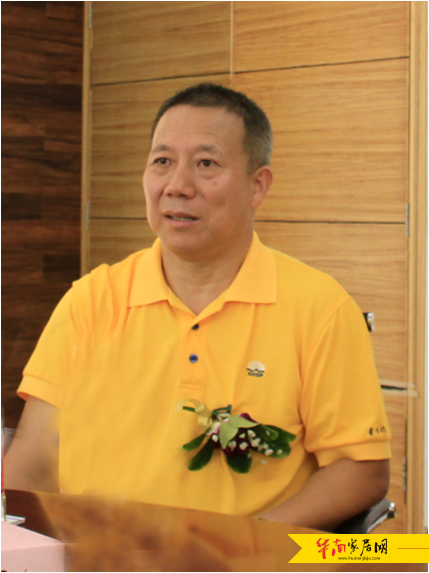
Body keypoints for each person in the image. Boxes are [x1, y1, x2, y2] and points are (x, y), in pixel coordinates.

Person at [5, 83, 391, 531]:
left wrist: (244, 544)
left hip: (240, 558)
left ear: (257, 186)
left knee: (399, 556)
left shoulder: (319, 308)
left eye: (206, 164)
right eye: (162, 162)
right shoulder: (91, 299)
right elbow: (35, 462)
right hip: (95, 552)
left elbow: (360, 470)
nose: (177, 186)